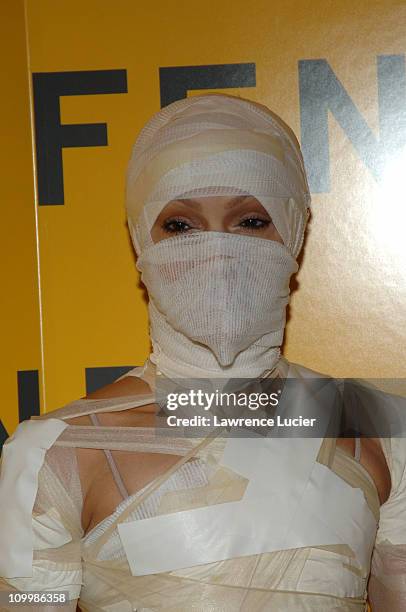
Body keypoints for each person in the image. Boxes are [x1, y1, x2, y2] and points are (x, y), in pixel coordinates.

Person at [0, 93, 405, 611]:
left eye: (251, 221)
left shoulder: (384, 431)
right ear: (141, 245)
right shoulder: (54, 453)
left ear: (295, 234)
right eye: (181, 225)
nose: (218, 253)